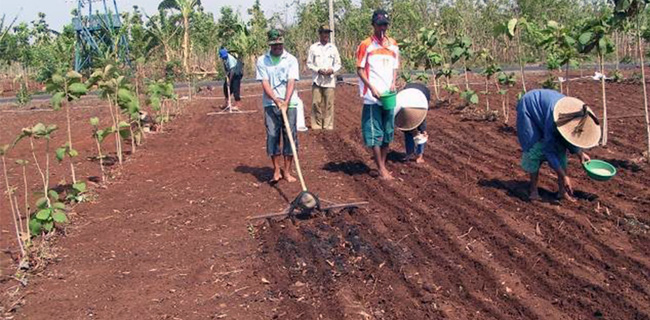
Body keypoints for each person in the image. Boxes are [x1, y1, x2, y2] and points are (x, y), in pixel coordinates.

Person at [516, 89, 601, 202]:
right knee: (535, 149)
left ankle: (562, 191)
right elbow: (548, 150)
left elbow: (569, 137)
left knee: (560, 150)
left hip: (547, 110)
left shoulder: (577, 117)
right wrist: (563, 176)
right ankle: (533, 190)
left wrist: (580, 153)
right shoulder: (554, 119)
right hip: (530, 106)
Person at [356, 9, 399, 180]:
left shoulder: (393, 44)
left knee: (388, 131)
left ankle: (383, 163)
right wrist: (371, 87)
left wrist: (393, 82)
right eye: (379, 24)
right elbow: (359, 69)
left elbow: (395, 67)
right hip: (372, 96)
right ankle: (381, 168)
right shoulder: (366, 45)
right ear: (373, 25)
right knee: (374, 132)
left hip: (388, 94)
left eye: (385, 24)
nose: (382, 28)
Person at [256, 29, 301, 183]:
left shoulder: (291, 60)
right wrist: (276, 100)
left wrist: (286, 101)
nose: (277, 48)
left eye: (280, 45)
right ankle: (276, 170)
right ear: (270, 45)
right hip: (270, 103)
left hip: (290, 103)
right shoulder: (262, 61)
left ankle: (287, 171)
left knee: (290, 136)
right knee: (272, 136)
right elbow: (265, 82)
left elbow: (291, 81)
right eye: (274, 46)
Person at [306, 24, 341, 130]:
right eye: (324, 32)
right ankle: (316, 125)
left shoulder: (333, 48)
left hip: (329, 80)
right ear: (320, 34)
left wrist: (332, 70)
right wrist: (318, 70)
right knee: (316, 103)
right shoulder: (313, 48)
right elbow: (309, 63)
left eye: (327, 33)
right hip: (317, 80)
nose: (326, 35)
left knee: (329, 104)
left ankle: (328, 125)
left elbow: (338, 64)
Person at [394, 82, 430, 164]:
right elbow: (400, 121)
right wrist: (409, 129)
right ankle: (409, 154)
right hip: (407, 102)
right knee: (408, 131)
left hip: (422, 96)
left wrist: (423, 129)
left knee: (421, 133)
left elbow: (422, 117)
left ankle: (419, 156)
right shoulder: (400, 104)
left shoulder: (421, 104)